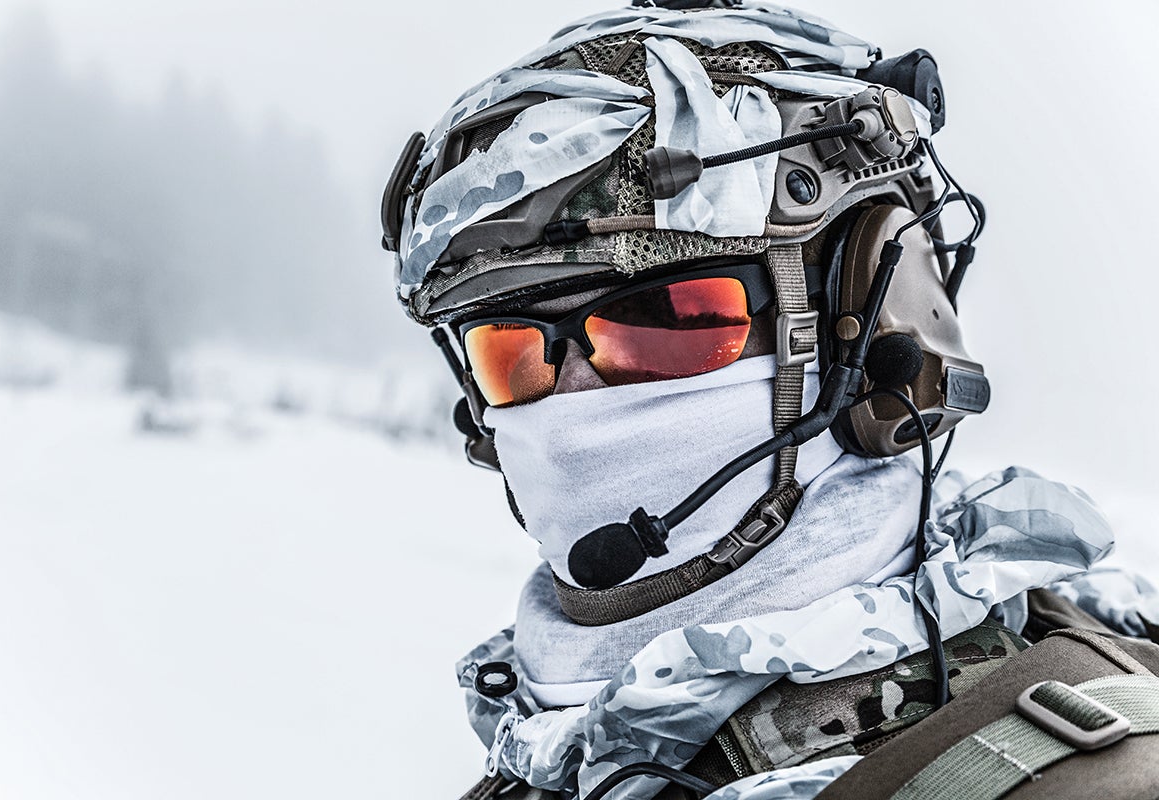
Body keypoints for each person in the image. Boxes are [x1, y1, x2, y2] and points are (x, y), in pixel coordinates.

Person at [381, 3, 1159, 798]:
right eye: (508, 356)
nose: (569, 398)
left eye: (665, 322)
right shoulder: (558, 756)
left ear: (874, 341)